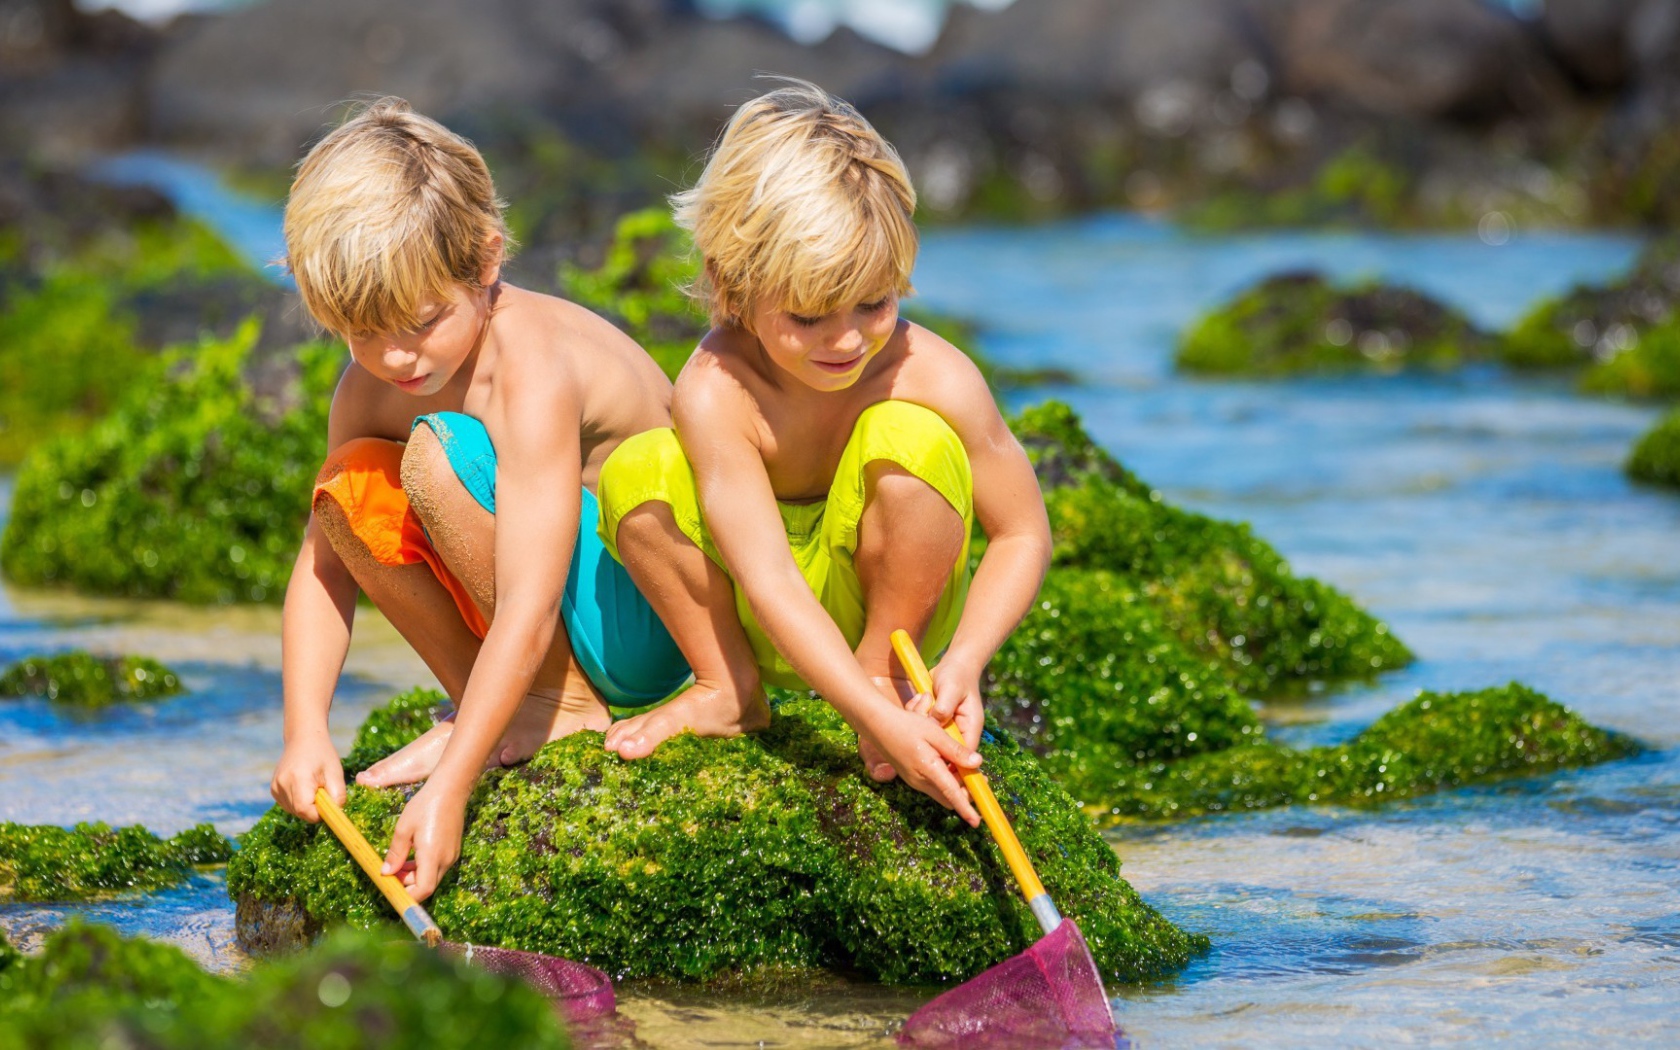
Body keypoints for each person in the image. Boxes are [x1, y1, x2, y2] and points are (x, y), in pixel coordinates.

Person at [596, 79, 1053, 826]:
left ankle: (880, 675)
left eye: (873, 304)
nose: (846, 341)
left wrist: (966, 660)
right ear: (731, 289)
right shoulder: (718, 390)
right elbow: (770, 579)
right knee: (637, 469)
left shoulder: (931, 373)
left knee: (913, 438)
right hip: (764, 612)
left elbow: (1024, 531)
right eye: (807, 317)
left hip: (896, 616)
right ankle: (728, 689)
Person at [267, 98, 692, 900]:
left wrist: (452, 788)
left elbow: (530, 602)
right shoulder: (370, 387)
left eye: (422, 321)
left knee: (436, 458)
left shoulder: (530, 365)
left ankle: (554, 707)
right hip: (554, 612)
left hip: (649, 615)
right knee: (354, 481)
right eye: (362, 331)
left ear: (486, 258)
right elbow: (323, 571)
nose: (394, 356)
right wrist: (305, 731)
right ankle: (494, 701)